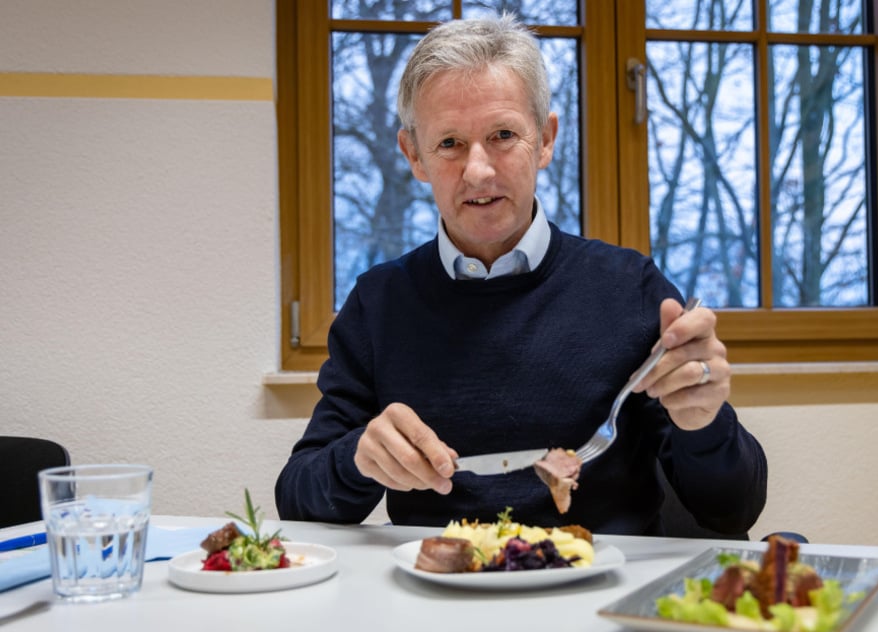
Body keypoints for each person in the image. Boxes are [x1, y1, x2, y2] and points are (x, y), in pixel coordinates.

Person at [275, 14, 767, 536]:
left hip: (597, 594)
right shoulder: (379, 303)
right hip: (438, 599)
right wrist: (358, 458)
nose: (479, 171)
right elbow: (297, 501)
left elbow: (733, 512)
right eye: (449, 144)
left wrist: (704, 423)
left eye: (503, 135)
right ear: (414, 155)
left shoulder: (631, 289)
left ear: (547, 139)